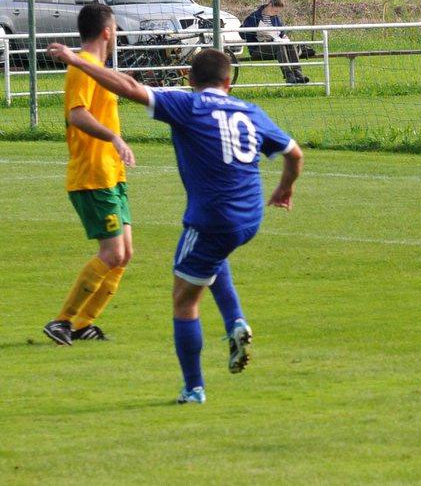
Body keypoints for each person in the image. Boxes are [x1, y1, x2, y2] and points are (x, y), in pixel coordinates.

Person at [47, 42, 304, 405]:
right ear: (228, 82)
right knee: (212, 257)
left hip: (212, 218)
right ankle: (235, 321)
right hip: (250, 217)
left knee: (184, 300)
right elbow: (294, 154)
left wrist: (77, 61)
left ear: (190, 80)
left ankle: (193, 388)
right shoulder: (251, 110)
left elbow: (130, 88)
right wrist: (284, 189)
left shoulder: (187, 105)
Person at [43, 3, 136, 346]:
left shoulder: (97, 68)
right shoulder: (82, 67)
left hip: (112, 174)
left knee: (124, 254)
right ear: (107, 32)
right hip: (92, 175)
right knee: (112, 253)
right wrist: (113, 137)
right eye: (116, 30)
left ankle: (83, 324)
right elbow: (77, 114)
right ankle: (62, 321)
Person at [241, 0, 310, 84]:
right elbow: (242, 33)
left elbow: (281, 33)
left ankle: (298, 74)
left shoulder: (276, 18)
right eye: (275, 11)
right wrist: (256, 32)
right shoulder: (254, 16)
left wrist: (283, 37)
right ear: (270, 5)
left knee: (290, 45)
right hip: (258, 48)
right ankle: (289, 76)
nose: (276, 13)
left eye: (278, 12)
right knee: (279, 46)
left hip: (274, 46)